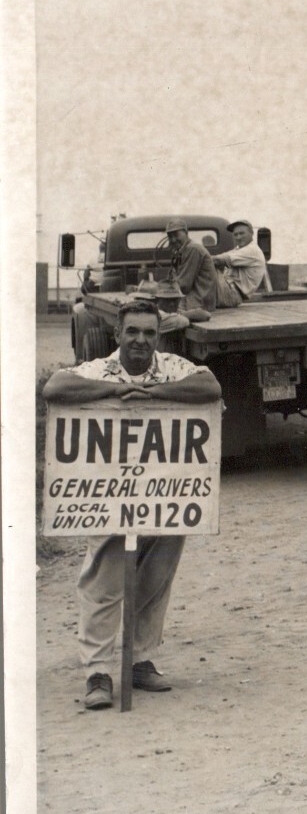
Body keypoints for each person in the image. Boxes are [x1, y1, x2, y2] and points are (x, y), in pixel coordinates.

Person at [43, 298, 222, 709]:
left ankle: (140, 659)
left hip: (165, 491)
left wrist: (155, 391)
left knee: (157, 574)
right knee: (104, 576)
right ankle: (99, 671)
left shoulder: (173, 366)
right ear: (117, 334)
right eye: (132, 332)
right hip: (110, 491)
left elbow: (209, 386)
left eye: (148, 333)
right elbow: (56, 387)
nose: (140, 340)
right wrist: (118, 389)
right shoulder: (99, 368)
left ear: (158, 336)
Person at [163, 219, 227, 314]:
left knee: (161, 310)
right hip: (195, 299)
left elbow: (184, 285)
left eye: (176, 235)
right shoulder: (183, 250)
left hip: (198, 302)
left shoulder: (193, 249)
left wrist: (161, 290)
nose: (173, 240)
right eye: (170, 236)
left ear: (186, 232)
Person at [212, 219, 270, 298]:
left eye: (242, 233)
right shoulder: (238, 250)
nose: (238, 237)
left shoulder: (251, 250)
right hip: (227, 291)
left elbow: (218, 260)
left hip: (232, 294)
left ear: (251, 233)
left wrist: (197, 259)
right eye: (235, 235)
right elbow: (220, 257)